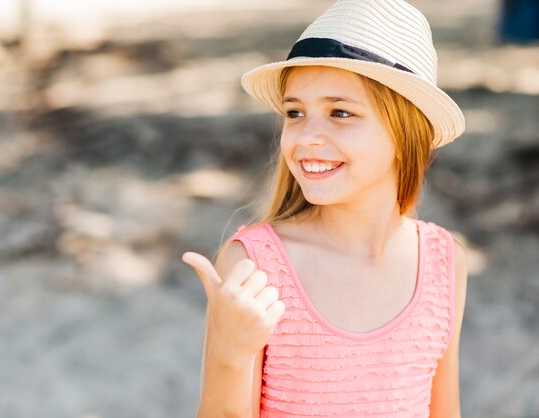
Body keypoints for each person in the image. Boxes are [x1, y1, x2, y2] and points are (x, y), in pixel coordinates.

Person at [182, 0, 468, 416]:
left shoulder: (444, 263)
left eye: (340, 112)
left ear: (408, 133)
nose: (307, 136)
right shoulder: (255, 267)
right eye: (295, 112)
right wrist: (228, 354)